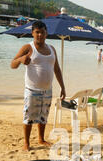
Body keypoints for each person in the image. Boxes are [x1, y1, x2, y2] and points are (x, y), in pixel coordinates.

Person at [11, 20, 66, 151]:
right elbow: (12, 64)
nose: (40, 35)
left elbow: (57, 69)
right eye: (37, 32)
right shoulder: (28, 48)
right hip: (32, 89)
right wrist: (20, 60)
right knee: (29, 117)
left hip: (47, 90)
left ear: (46, 33)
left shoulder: (52, 49)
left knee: (43, 115)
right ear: (32, 33)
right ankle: (26, 142)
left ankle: (41, 139)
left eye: (42, 32)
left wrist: (63, 87)